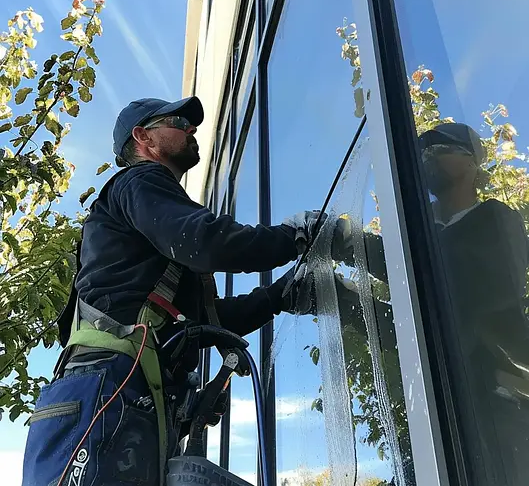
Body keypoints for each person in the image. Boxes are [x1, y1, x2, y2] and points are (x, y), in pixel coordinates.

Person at [21, 96, 345, 486]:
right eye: (178, 121)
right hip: (111, 385)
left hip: (122, 387)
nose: (191, 129)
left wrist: (278, 297)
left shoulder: (148, 233)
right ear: (144, 138)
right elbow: (206, 241)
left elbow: (205, 322)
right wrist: (295, 235)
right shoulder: (140, 181)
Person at [326, 122, 529, 485]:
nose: (427, 157)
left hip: (501, 419)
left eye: (441, 148)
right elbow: (410, 331)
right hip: (443, 420)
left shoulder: (498, 221)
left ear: (471, 163)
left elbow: (449, 282)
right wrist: (340, 298)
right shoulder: (427, 234)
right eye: (423, 151)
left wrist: (350, 244)